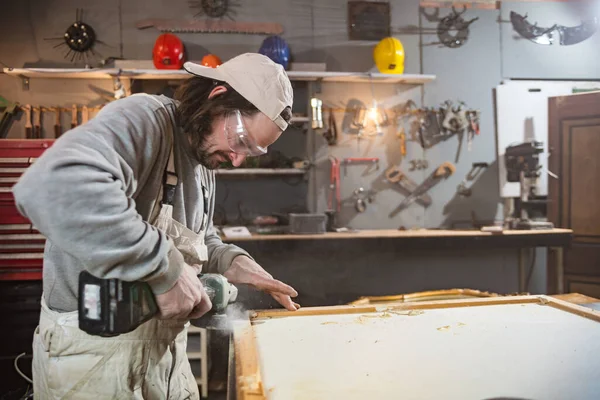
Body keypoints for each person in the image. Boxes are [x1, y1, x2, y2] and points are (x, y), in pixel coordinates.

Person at [12, 52, 300, 399]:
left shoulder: (204, 156)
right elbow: (51, 186)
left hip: (162, 357)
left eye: (252, 151)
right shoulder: (145, 119)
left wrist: (233, 262)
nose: (238, 159)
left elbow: (198, 236)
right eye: (240, 141)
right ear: (217, 96)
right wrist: (163, 267)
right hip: (93, 357)